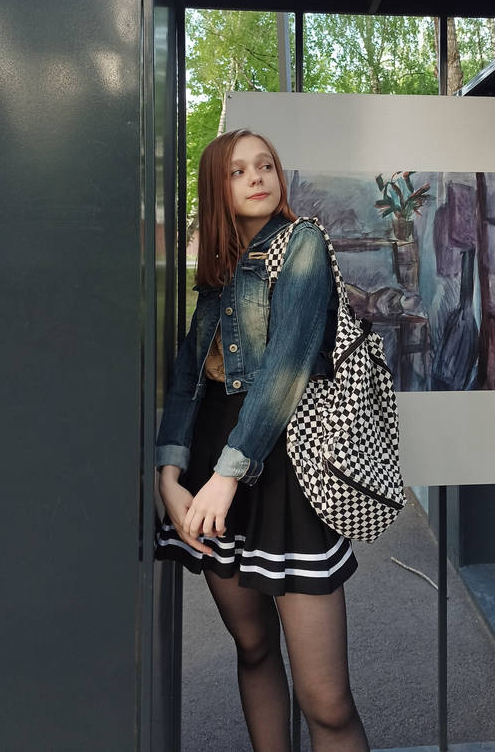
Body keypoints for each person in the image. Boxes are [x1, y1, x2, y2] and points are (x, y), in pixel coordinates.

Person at [154, 127, 369, 752]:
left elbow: (287, 368)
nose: (257, 177)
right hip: (214, 466)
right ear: (218, 188)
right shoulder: (219, 272)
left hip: (284, 468)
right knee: (252, 650)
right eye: (239, 170)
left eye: (266, 165)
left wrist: (225, 476)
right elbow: (189, 375)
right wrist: (169, 473)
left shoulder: (302, 242)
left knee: (327, 702)